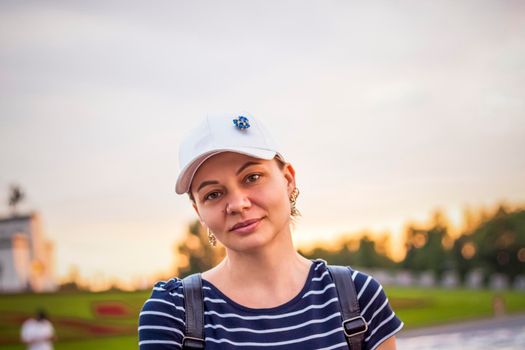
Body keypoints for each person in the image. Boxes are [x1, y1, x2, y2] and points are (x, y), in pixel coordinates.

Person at [139, 113, 403, 349]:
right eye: (213, 194)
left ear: (288, 180)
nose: (238, 204)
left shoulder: (357, 297)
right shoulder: (173, 313)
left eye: (252, 178)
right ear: (200, 213)